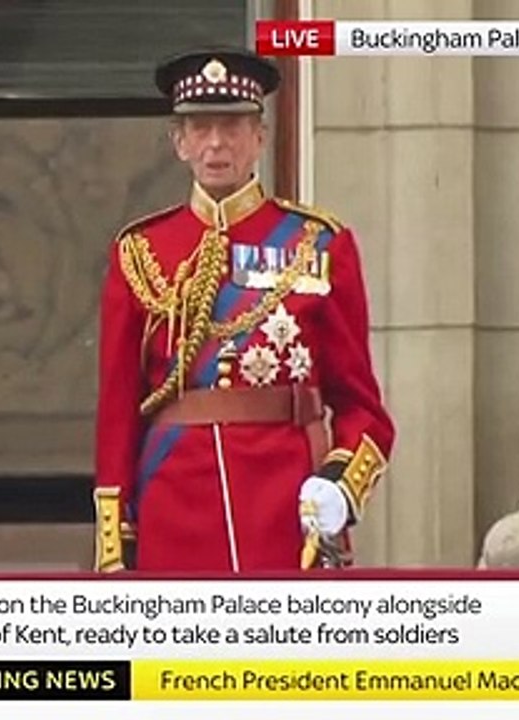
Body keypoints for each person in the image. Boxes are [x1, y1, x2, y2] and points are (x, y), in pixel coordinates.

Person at [93, 48, 395, 573]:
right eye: (200, 127)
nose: (216, 144)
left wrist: (341, 486)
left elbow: (362, 408)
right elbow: (118, 410)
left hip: (285, 503)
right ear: (178, 142)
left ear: (260, 137)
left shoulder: (320, 245)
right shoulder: (141, 252)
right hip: (174, 505)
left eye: (231, 126)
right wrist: (116, 544)